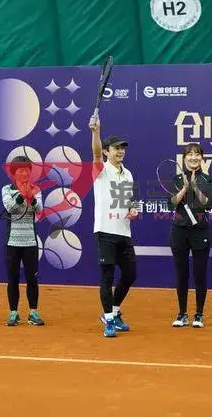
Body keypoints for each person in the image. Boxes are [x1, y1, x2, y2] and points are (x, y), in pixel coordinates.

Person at [89, 115, 138, 338]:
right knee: (107, 276)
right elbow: (95, 153)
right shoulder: (100, 170)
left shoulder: (128, 174)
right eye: (116, 148)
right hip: (105, 231)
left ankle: (115, 311)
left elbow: (129, 200)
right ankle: (108, 319)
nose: (120, 151)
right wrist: (96, 132)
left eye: (122, 148)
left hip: (124, 232)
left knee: (130, 274)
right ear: (107, 152)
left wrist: (133, 209)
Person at [168, 143, 212, 328]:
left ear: (201, 158)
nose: (193, 157)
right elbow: (171, 204)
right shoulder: (176, 179)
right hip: (179, 231)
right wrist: (184, 189)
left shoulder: (207, 179)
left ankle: (199, 314)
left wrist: (194, 186)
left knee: (199, 274)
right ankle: (182, 314)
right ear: (184, 158)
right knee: (182, 274)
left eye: (197, 154)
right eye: (190, 154)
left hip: (200, 231)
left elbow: (208, 204)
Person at [2, 156, 45, 326]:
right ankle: (13, 313)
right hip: (12, 242)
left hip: (30, 242)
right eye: (21, 170)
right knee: (12, 278)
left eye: (27, 170)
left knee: (32, 279)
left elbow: (39, 209)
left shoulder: (36, 189)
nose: (25, 173)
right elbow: (10, 208)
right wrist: (22, 196)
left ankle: (33, 312)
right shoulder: (7, 189)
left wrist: (31, 197)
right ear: (14, 173)